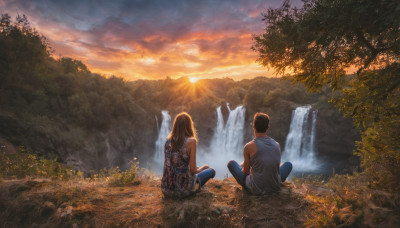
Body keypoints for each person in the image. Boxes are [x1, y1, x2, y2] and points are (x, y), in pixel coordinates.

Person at [227, 112, 292, 195]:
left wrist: (248, 167)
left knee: (231, 163)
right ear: (268, 127)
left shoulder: (249, 146)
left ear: (253, 126)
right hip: (275, 187)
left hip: (256, 189)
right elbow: (274, 168)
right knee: (288, 164)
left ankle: (253, 185)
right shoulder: (277, 144)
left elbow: (246, 172)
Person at [161, 112, 216, 198]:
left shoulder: (168, 141)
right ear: (189, 125)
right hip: (183, 190)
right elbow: (193, 170)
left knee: (201, 169)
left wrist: (199, 168)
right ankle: (197, 185)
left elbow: (174, 164)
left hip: (166, 189)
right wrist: (203, 167)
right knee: (211, 171)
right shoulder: (191, 141)